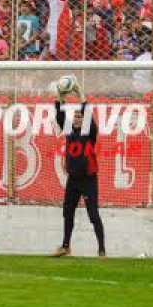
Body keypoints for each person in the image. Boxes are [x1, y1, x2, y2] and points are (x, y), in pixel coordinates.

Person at [52, 80, 105, 258]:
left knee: (93, 215)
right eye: (75, 117)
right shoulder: (69, 131)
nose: (76, 119)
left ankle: (102, 249)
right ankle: (65, 246)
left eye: (80, 117)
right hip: (73, 179)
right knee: (68, 212)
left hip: (88, 179)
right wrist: (60, 97)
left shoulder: (90, 133)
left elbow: (88, 115)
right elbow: (59, 115)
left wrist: (82, 97)